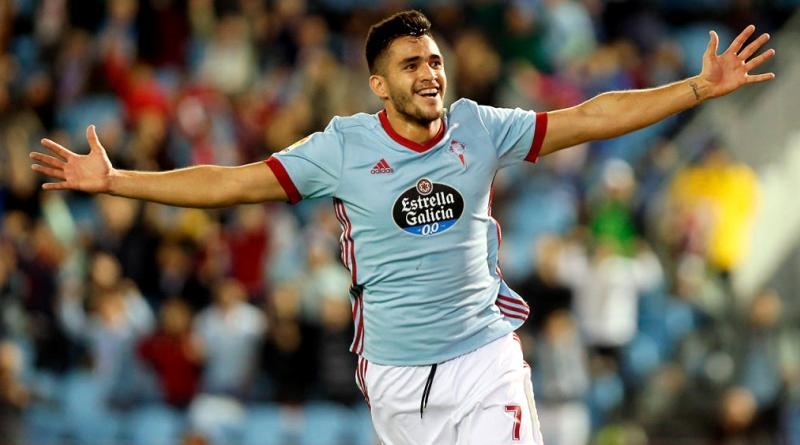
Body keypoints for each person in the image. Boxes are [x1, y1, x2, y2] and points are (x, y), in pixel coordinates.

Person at [29, 10, 775, 445]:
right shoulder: (342, 148)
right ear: (379, 83)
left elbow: (588, 117)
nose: (430, 73)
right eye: (412, 63)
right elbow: (231, 182)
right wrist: (119, 180)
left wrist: (695, 88)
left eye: (436, 60)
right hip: (395, 378)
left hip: (485, 356)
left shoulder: (481, 127)